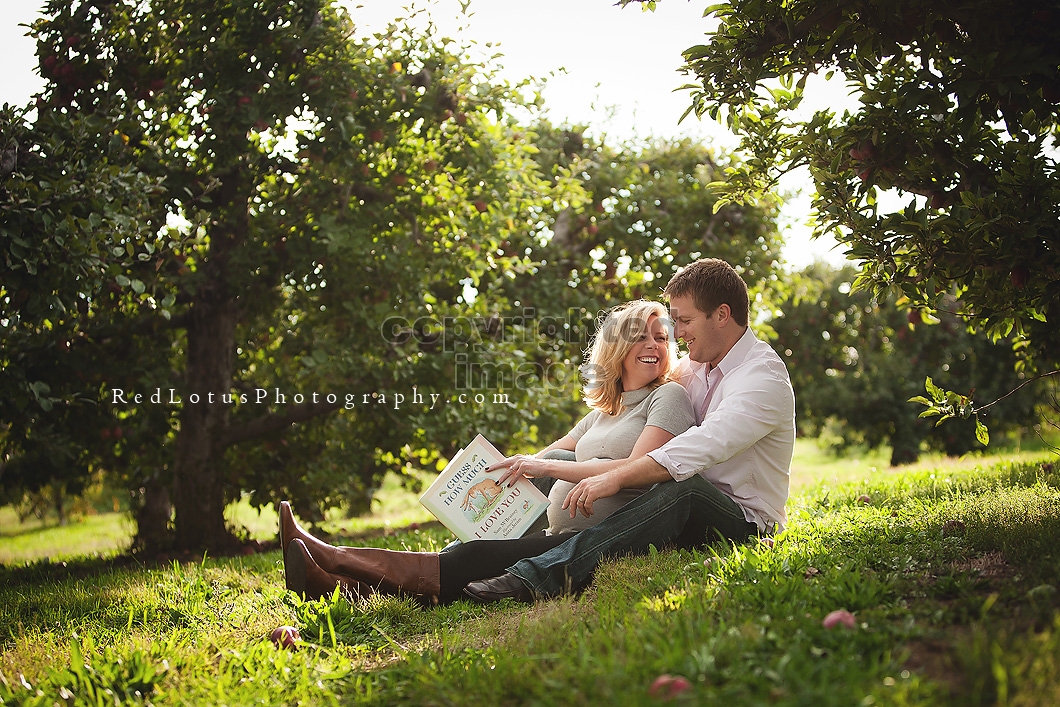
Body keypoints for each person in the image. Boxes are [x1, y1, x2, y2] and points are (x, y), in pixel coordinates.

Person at [280, 299, 695, 603]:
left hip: (600, 539)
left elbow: (639, 466)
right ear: (617, 349)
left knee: (476, 557)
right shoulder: (607, 412)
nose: (654, 345)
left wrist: (546, 463)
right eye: (640, 336)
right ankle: (334, 584)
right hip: (560, 531)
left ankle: (333, 556)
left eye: (661, 337)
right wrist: (498, 474)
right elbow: (552, 455)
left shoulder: (669, 397)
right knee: (475, 559)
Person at [462, 257, 795, 603]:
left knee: (686, 489)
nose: (677, 334)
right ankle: (463, 540)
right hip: (672, 513)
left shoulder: (761, 378)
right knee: (563, 458)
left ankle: (538, 578)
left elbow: (704, 444)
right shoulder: (695, 366)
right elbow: (643, 382)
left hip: (743, 523)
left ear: (722, 315)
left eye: (684, 321)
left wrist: (617, 476)